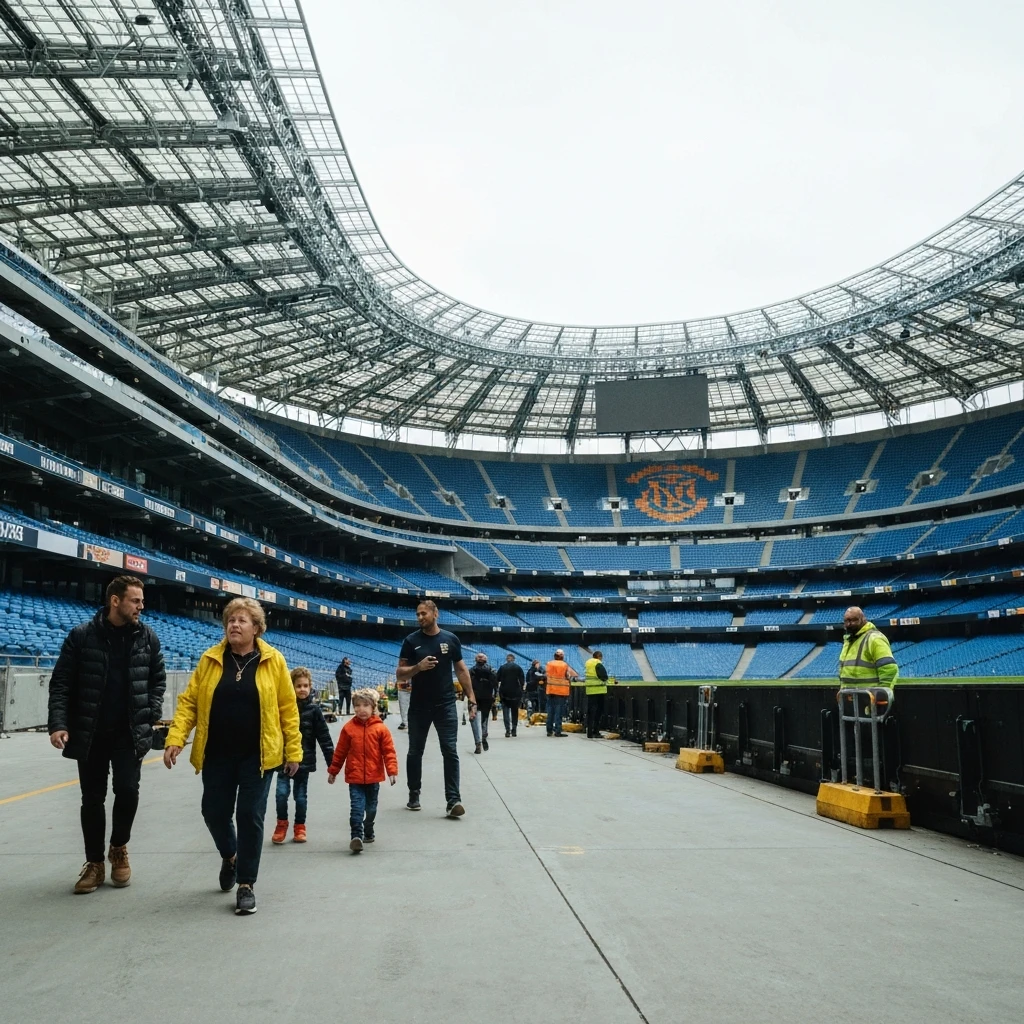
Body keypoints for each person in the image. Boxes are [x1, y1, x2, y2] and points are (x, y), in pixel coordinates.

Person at [163, 597, 301, 916]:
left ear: (256, 628)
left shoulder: (274, 661)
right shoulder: (211, 659)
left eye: (242, 620)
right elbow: (190, 702)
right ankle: (230, 856)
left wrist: (293, 750)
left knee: (249, 815)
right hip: (217, 753)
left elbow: (287, 709)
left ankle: (246, 884)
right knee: (214, 812)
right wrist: (176, 738)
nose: (234, 625)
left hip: (258, 755)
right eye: (230, 620)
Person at [47, 575, 166, 895]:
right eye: (135, 601)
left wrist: (151, 711)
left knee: (127, 790)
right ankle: (95, 863)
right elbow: (61, 683)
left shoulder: (148, 637)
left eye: (142, 601)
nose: (141, 606)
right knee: (92, 798)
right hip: (91, 732)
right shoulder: (81, 636)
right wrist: (58, 723)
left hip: (130, 732)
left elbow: (157, 680)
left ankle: (119, 847)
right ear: (116, 601)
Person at [396, 600, 476, 817]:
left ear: (435, 613)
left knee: (450, 750)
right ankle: (414, 793)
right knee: (415, 751)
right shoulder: (411, 641)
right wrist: (418, 667)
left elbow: (461, 670)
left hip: (446, 704)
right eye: (418, 614)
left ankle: (453, 800)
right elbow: (400, 673)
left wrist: (471, 696)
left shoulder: (450, 639)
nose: (420, 617)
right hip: (419, 705)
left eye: (424, 613)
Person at [327, 688, 399, 852]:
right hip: (355, 777)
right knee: (357, 808)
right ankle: (356, 837)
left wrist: (392, 771)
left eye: (365, 705)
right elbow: (340, 752)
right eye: (357, 706)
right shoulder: (349, 729)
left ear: (373, 707)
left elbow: (389, 752)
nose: (361, 709)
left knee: (371, 809)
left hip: (374, 777)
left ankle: (369, 828)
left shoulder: (381, 729)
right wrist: (333, 771)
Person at [272, 667, 335, 845]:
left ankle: (300, 826)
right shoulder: (283, 708)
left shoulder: (314, 711)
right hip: (283, 761)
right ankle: (281, 824)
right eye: (298, 686)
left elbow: (324, 738)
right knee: (281, 794)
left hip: (304, 762)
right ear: (291, 687)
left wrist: (333, 764)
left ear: (310, 686)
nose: (302, 689)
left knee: (300, 797)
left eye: (306, 686)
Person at [840, 607, 899, 687]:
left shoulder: (874, 638)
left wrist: (883, 691)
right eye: (846, 621)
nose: (849, 624)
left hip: (870, 694)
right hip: (848, 693)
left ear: (863, 619)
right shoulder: (848, 641)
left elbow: (889, 668)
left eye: (853, 620)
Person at [544, 649, 578, 737]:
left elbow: (546, 675)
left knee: (550, 711)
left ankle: (549, 731)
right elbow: (569, 676)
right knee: (558, 712)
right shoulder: (564, 665)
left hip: (550, 690)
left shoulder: (549, 664)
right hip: (561, 691)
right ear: (562, 656)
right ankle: (557, 731)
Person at [469, 651, 497, 754]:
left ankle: (478, 742)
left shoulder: (471, 671)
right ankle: (484, 734)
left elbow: (467, 684)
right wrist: (495, 695)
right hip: (487, 697)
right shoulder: (491, 670)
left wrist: (467, 696)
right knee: (484, 718)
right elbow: (495, 684)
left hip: (474, 698)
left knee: (473, 718)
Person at [497, 653, 525, 737]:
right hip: (515, 693)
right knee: (514, 712)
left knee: (505, 712)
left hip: (504, 692)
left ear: (507, 659)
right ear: (514, 659)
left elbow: (497, 679)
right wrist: (521, 691)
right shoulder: (518, 668)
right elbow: (522, 681)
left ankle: (507, 730)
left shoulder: (502, 668)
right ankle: (514, 729)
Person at [583, 650, 610, 738]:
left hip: (589, 690)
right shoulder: (598, 663)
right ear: (599, 657)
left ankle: (589, 732)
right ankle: (596, 731)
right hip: (599, 690)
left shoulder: (588, 663)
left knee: (590, 712)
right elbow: (604, 676)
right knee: (598, 712)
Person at [524, 659, 545, 725]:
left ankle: (530, 716)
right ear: (536, 664)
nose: (539, 665)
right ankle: (534, 716)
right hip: (534, 689)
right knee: (536, 703)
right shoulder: (535, 671)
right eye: (538, 664)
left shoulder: (529, 671)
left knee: (530, 703)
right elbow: (539, 677)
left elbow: (527, 679)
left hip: (529, 689)